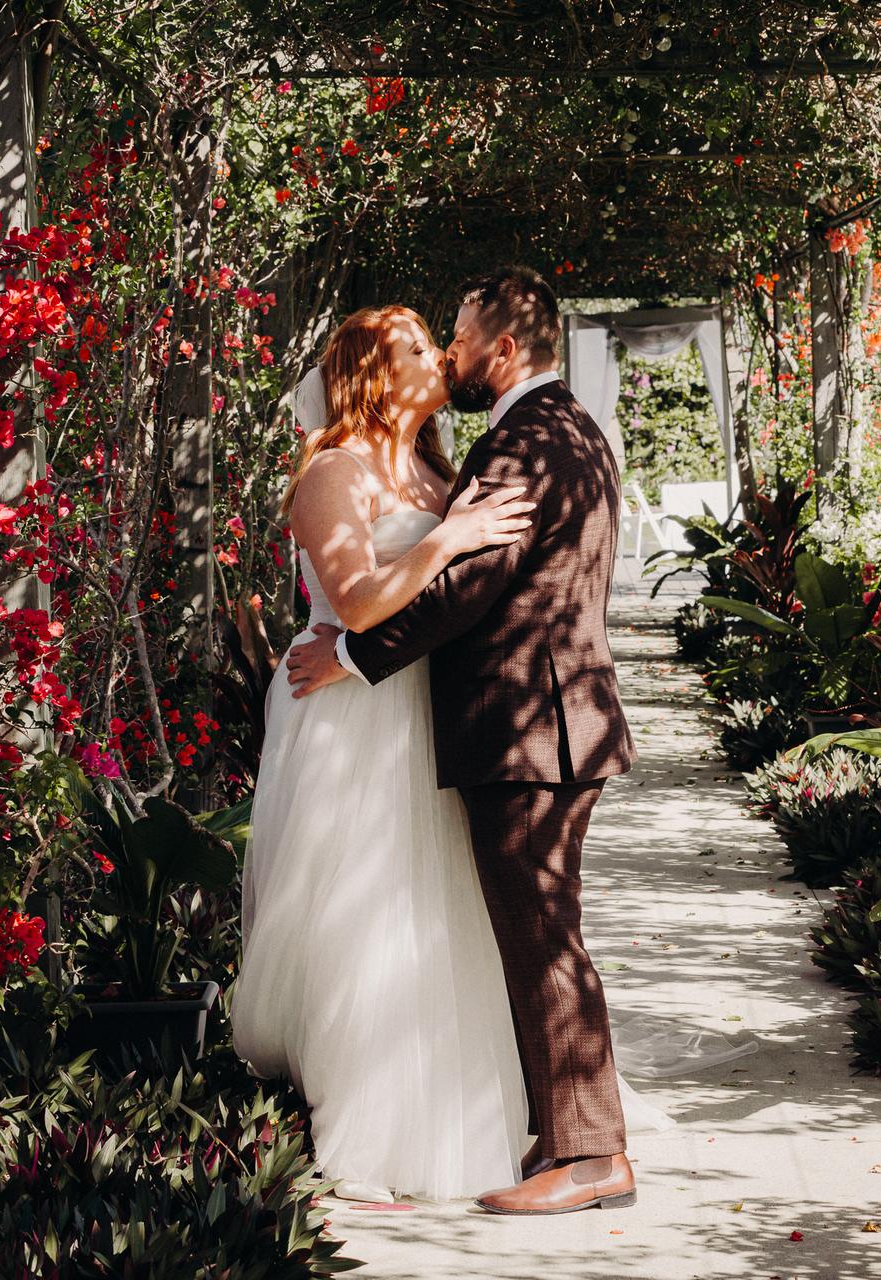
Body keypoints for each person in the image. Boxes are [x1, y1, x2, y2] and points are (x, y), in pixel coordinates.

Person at [282, 266, 640, 1215]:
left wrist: (353, 657)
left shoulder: (520, 443)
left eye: (460, 332)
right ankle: (563, 1133)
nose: (450, 351)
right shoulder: (568, 428)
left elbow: (464, 590)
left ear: (504, 349)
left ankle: (589, 1152)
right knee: (525, 932)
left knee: (540, 934)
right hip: (543, 725)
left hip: (531, 732)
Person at [231, 302, 538, 1203]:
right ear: (370, 371)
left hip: (425, 708)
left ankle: (454, 1106)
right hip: (350, 712)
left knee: (438, 909)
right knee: (361, 914)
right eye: (413, 346)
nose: (438, 354)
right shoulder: (335, 470)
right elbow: (360, 603)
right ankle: (358, 1120)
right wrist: (448, 539)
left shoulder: (438, 470)